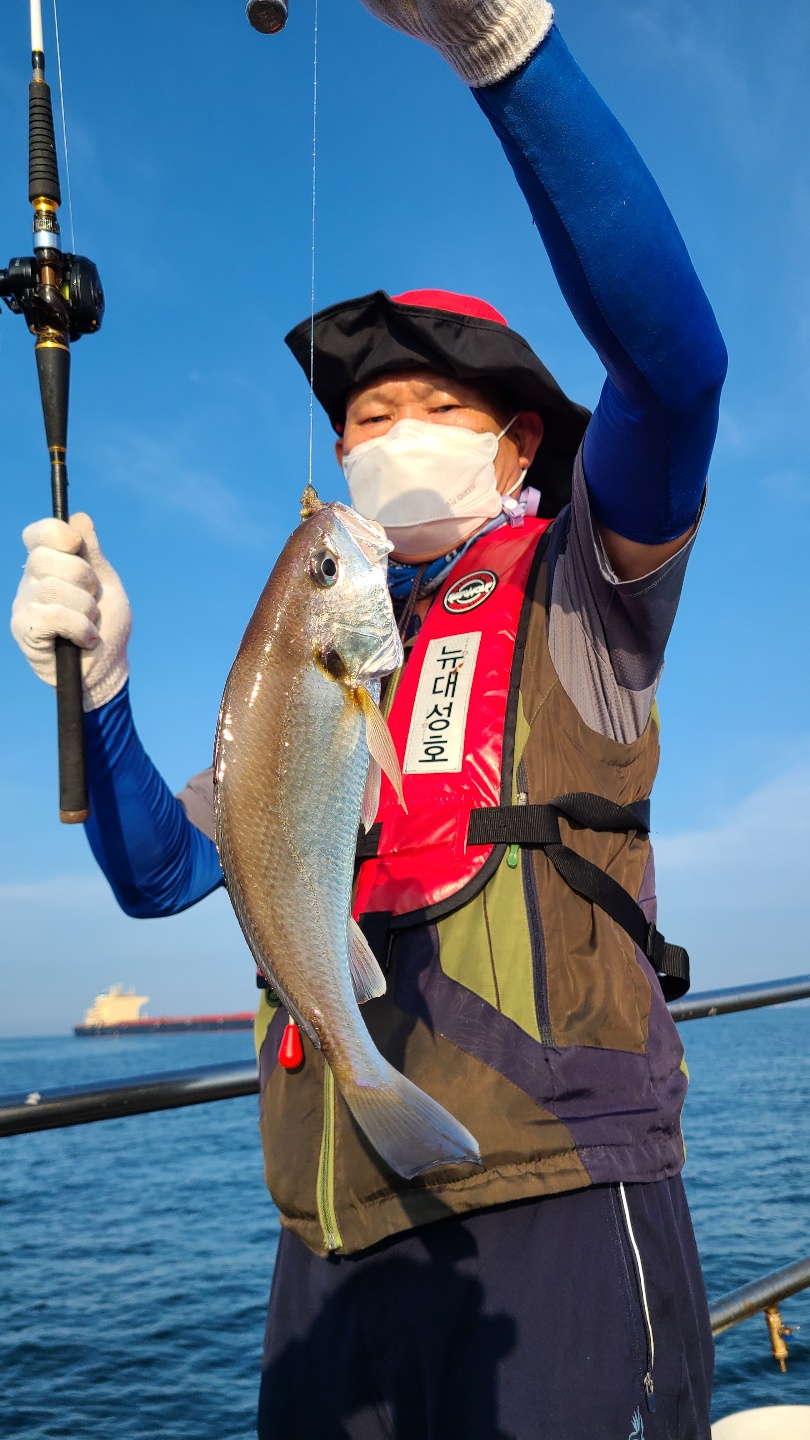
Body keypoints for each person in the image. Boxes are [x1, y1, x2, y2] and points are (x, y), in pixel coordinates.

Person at [10, 2, 727, 1436]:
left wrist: (504, 48)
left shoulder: (582, 581)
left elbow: (676, 371)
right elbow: (164, 869)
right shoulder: (317, 647)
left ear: (518, 442)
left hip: (554, 1208)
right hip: (326, 1239)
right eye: (362, 418)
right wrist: (102, 693)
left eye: (428, 405)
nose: (385, 436)